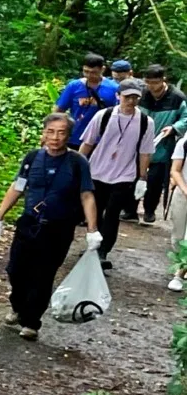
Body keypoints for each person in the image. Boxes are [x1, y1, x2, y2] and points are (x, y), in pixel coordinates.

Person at [0, 114, 98, 340]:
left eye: (61, 132)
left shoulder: (77, 163)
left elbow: (86, 195)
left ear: (69, 135)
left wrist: (92, 230)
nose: (55, 137)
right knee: (16, 270)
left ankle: (31, 322)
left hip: (58, 228)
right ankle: (18, 307)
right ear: (44, 133)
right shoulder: (32, 158)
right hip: (28, 223)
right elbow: (17, 187)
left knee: (43, 275)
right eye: (50, 132)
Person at [79, 79, 155, 270]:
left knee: (112, 213)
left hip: (124, 175)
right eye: (127, 96)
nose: (131, 101)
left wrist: (142, 178)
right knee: (96, 211)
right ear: (118, 96)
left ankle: (103, 251)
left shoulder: (146, 122)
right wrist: (77, 166)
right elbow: (88, 142)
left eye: (135, 97)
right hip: (97, 171)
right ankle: (93, 243)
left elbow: (145, 152)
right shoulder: (103, 116)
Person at [138, 66, 184, 226]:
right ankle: (129, 208)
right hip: (139, 143)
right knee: (132, 177)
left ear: (163, 80)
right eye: (148, 82)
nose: (152, 86)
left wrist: (174, 127)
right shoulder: (142, 94)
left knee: (155, 181)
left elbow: (186, 118)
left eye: (155, 82)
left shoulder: (177, 97)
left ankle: (149, 210)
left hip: (162, 144)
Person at [56, 54, 118, 148]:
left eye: (93, 72)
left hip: (100, 140)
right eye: (86, 71)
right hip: (75, 137)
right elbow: (59, 110)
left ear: (102, 69)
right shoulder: (74, 86)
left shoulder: (113, 88)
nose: (89, 75)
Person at [169, 134, 187, 293]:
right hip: (183, 194)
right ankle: (179, 264)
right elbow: (175, 170)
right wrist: (184, 189)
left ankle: (179, 274)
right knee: (178, 235)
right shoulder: (184, 143)